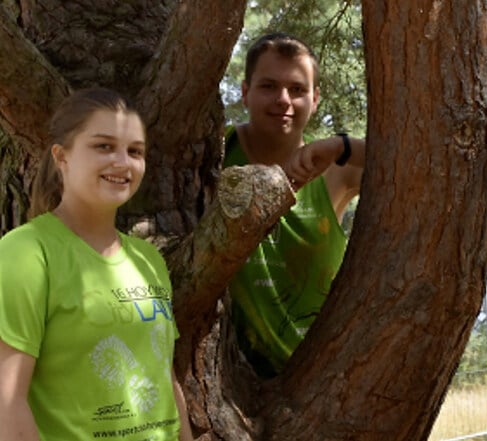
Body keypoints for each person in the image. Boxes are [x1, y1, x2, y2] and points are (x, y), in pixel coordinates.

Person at [0, 87, 193, 441]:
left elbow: (165, 376)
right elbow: (6, 403)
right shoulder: (26, 253)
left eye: (135, 151)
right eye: (103, 146)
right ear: (62, 157)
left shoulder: (148, 260)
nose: (122, 162)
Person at [224, 32, 365, 377]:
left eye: (298, 90)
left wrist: (340, 146)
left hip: (318, 377)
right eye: (268, 86)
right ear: (245, 93)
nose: (283, 100)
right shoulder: (215, 152)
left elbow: (422, 165)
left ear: (315, 99)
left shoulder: (335, 170)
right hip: (230, 378)